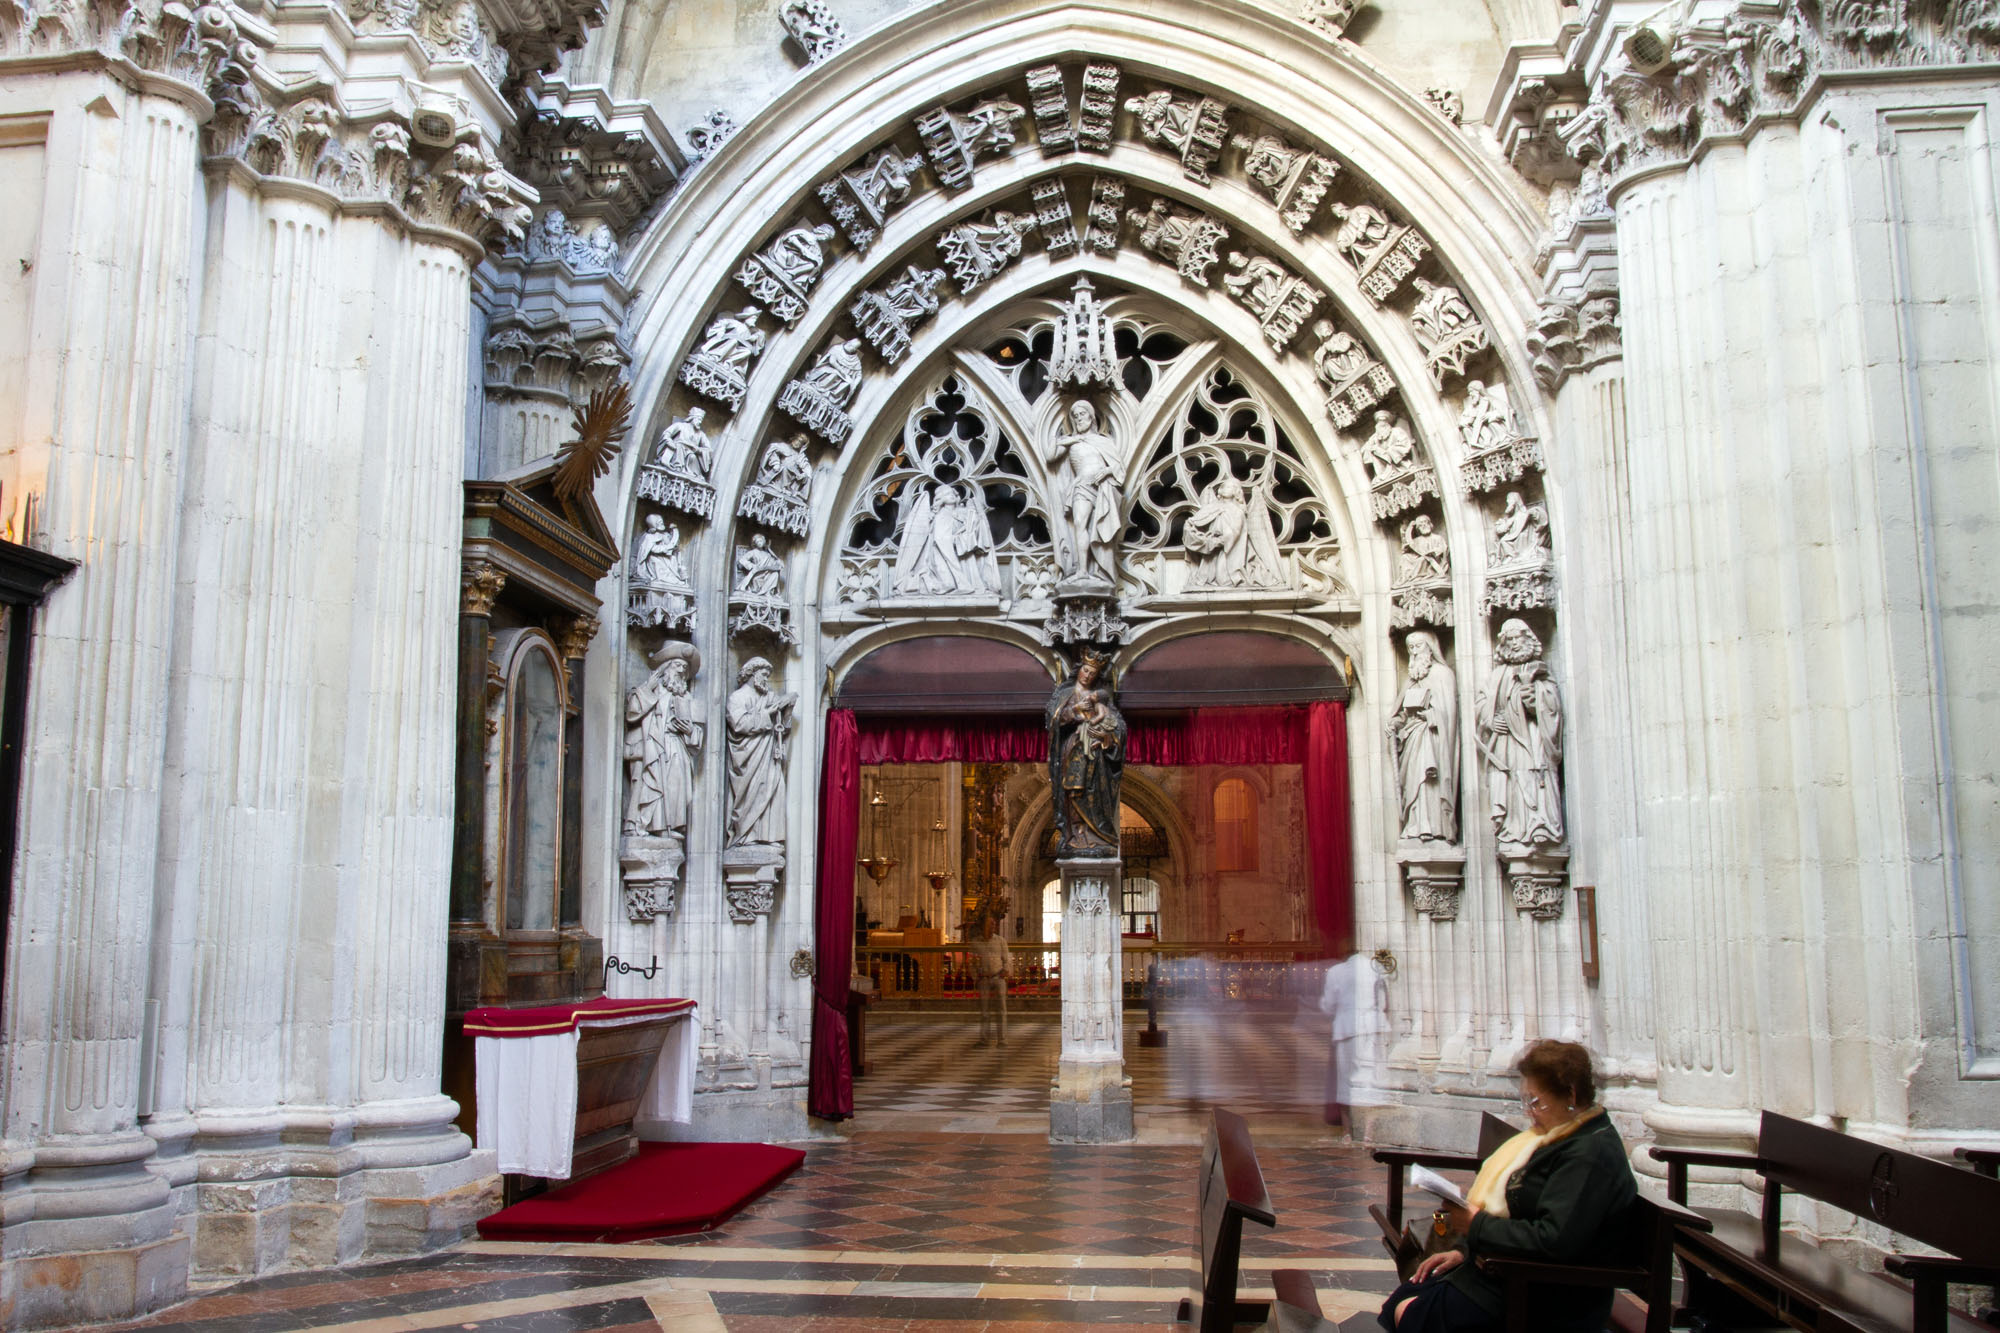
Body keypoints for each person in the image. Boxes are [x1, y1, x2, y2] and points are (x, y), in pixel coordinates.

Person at [1378, 1040, 1637, 1333]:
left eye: (1536, 1101)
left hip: (1549, 1297)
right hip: (1511, 1275)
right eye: (1525, 1101)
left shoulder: (1589, 1154)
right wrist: (1464, 1251)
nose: (1529, 1112)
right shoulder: (1565, 1136)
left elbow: (1553, 1239)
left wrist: (1476, 1224)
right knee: (1408, 1294)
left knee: (1411, 1313)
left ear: (1571, 1095)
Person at [1318, 949, 1388, 1126]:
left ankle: (1349, 1130)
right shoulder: (1377, 967)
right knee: (1373, 1077)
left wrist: (1324, 1007)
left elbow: (1329, 1004)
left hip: (1347, 1028)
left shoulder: (1337, 971)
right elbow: (1384, 1002)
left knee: (1347, 1080)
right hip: (1375, 1026)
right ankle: (1371, 1129)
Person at [971, 916, 1009, 1046]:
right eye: (989, 924)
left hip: (998, 977)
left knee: (1001, 1010)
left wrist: (1006, 970)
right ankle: (984, 1039)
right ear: (983, 927)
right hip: (984, 979)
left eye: (994, 924)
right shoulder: (976, 942)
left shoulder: (1000, 941)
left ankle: (1002, 1039)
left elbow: (1007, 959)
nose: (992, 927)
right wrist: (975, 976)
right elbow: (972, 962)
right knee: (984, 1011)